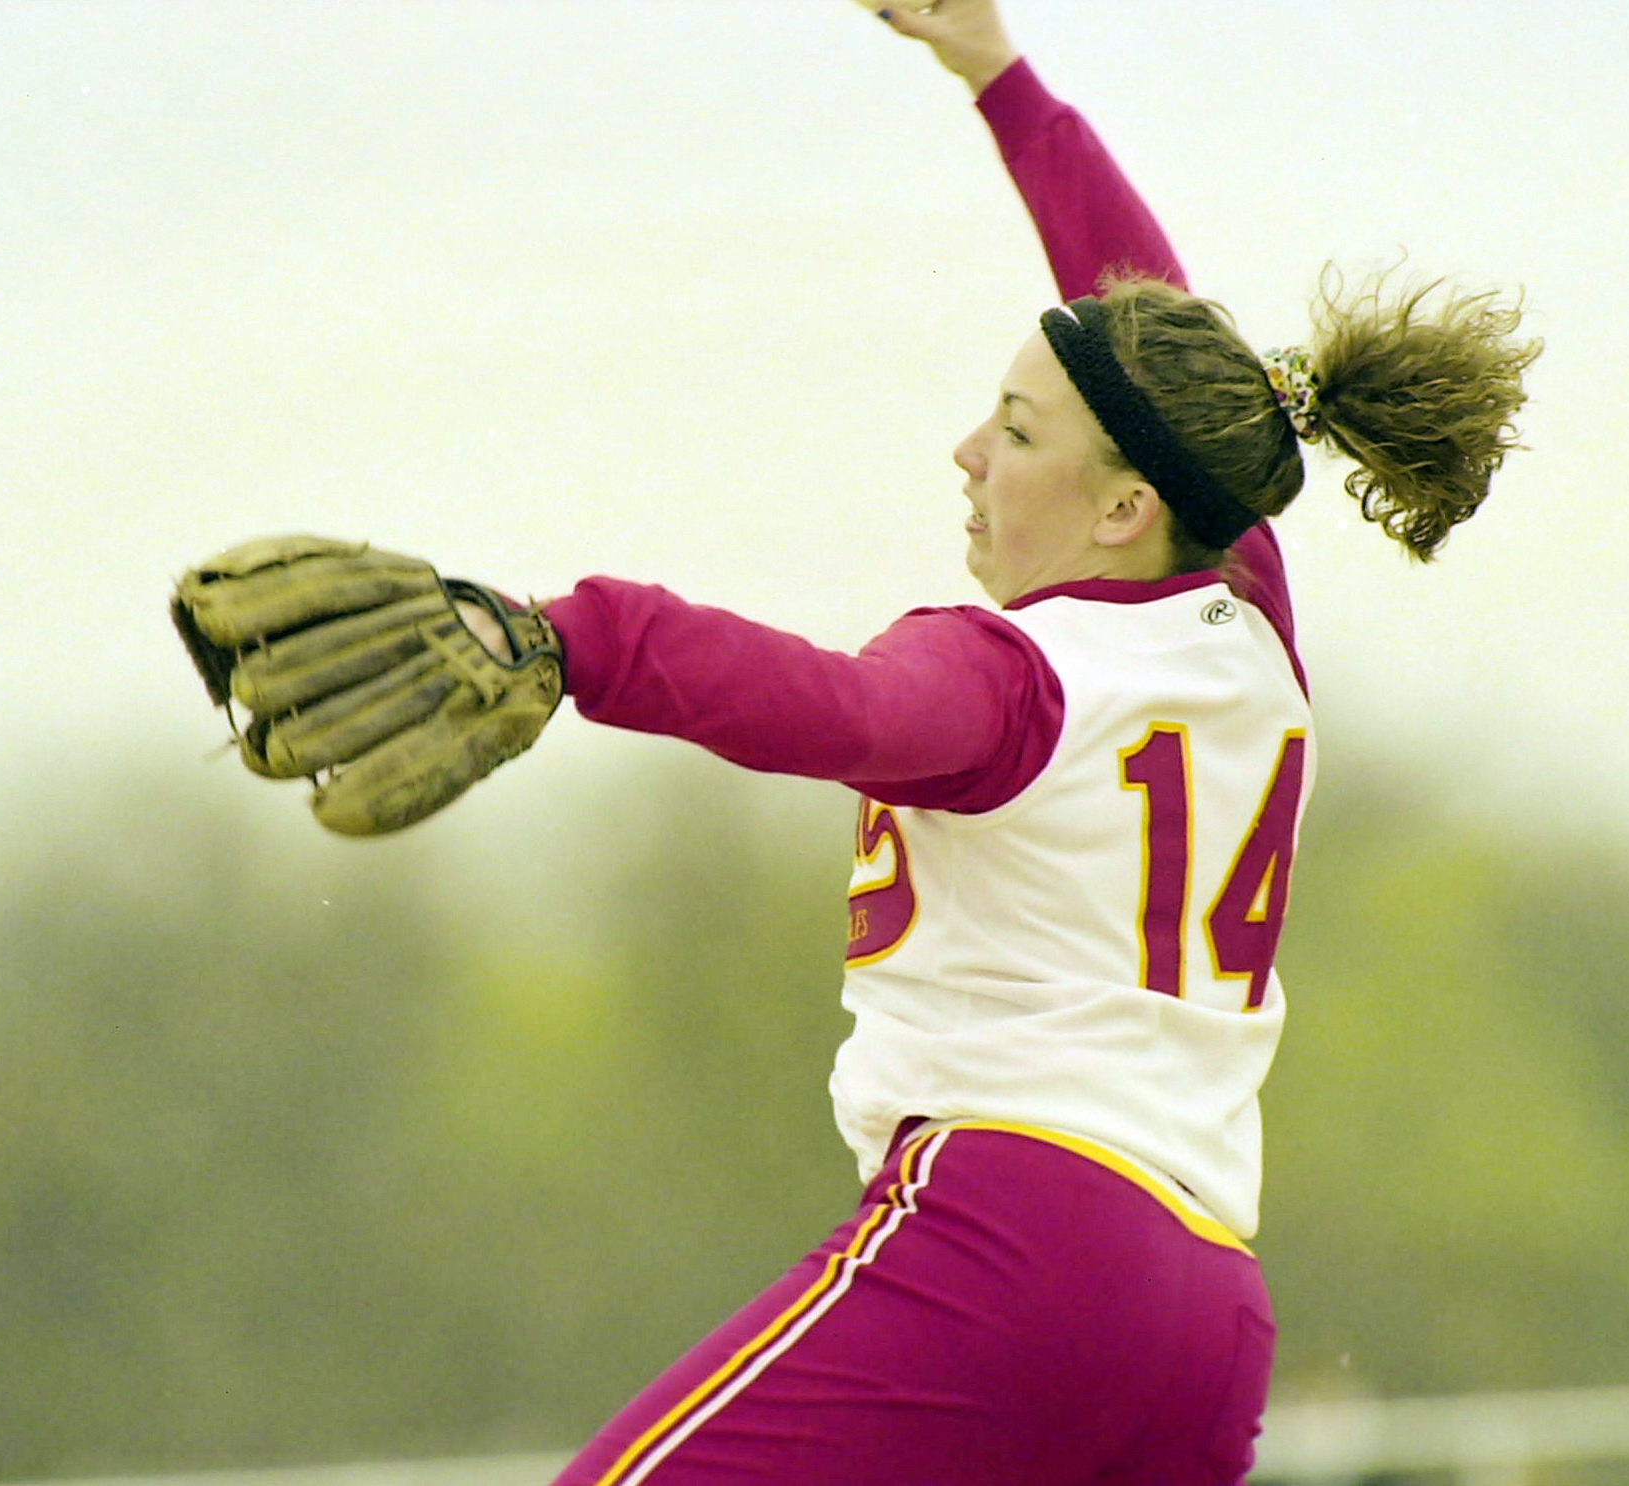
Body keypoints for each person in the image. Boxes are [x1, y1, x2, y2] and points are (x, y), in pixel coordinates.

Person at [535, 3, 1539, 1482]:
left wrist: (569, 638)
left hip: (1014, 1247)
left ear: (1125, 505)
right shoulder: (1243, 612)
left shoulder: (1019, 674)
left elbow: (842, 708)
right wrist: (1002, 82)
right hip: (1206, 1310)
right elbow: (1162, 348)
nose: (968, 450)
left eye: (1012, 430)